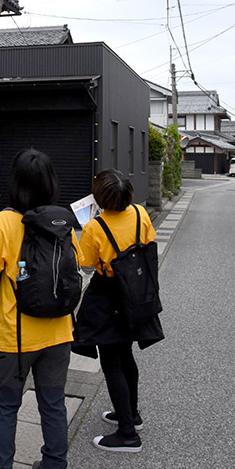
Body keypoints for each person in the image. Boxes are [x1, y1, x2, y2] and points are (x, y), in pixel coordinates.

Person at [0, 148, 82, 469]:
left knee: (6, 405)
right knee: (53, 404)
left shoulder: (3, 222)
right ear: (51, 182)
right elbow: (75, 268)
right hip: (59, 333)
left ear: (16, 183)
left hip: (16, 336)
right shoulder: (63, 221)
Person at [74, 168, 164, 453]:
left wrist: (91, 227)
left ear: (99, 198)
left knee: (111, 362)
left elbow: (86, 266)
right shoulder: (140, 214)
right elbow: (148, 244)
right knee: (126, 356)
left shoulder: (94, 228)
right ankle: (131, 414)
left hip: (108, 296)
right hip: (136, 292)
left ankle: (127, 434)